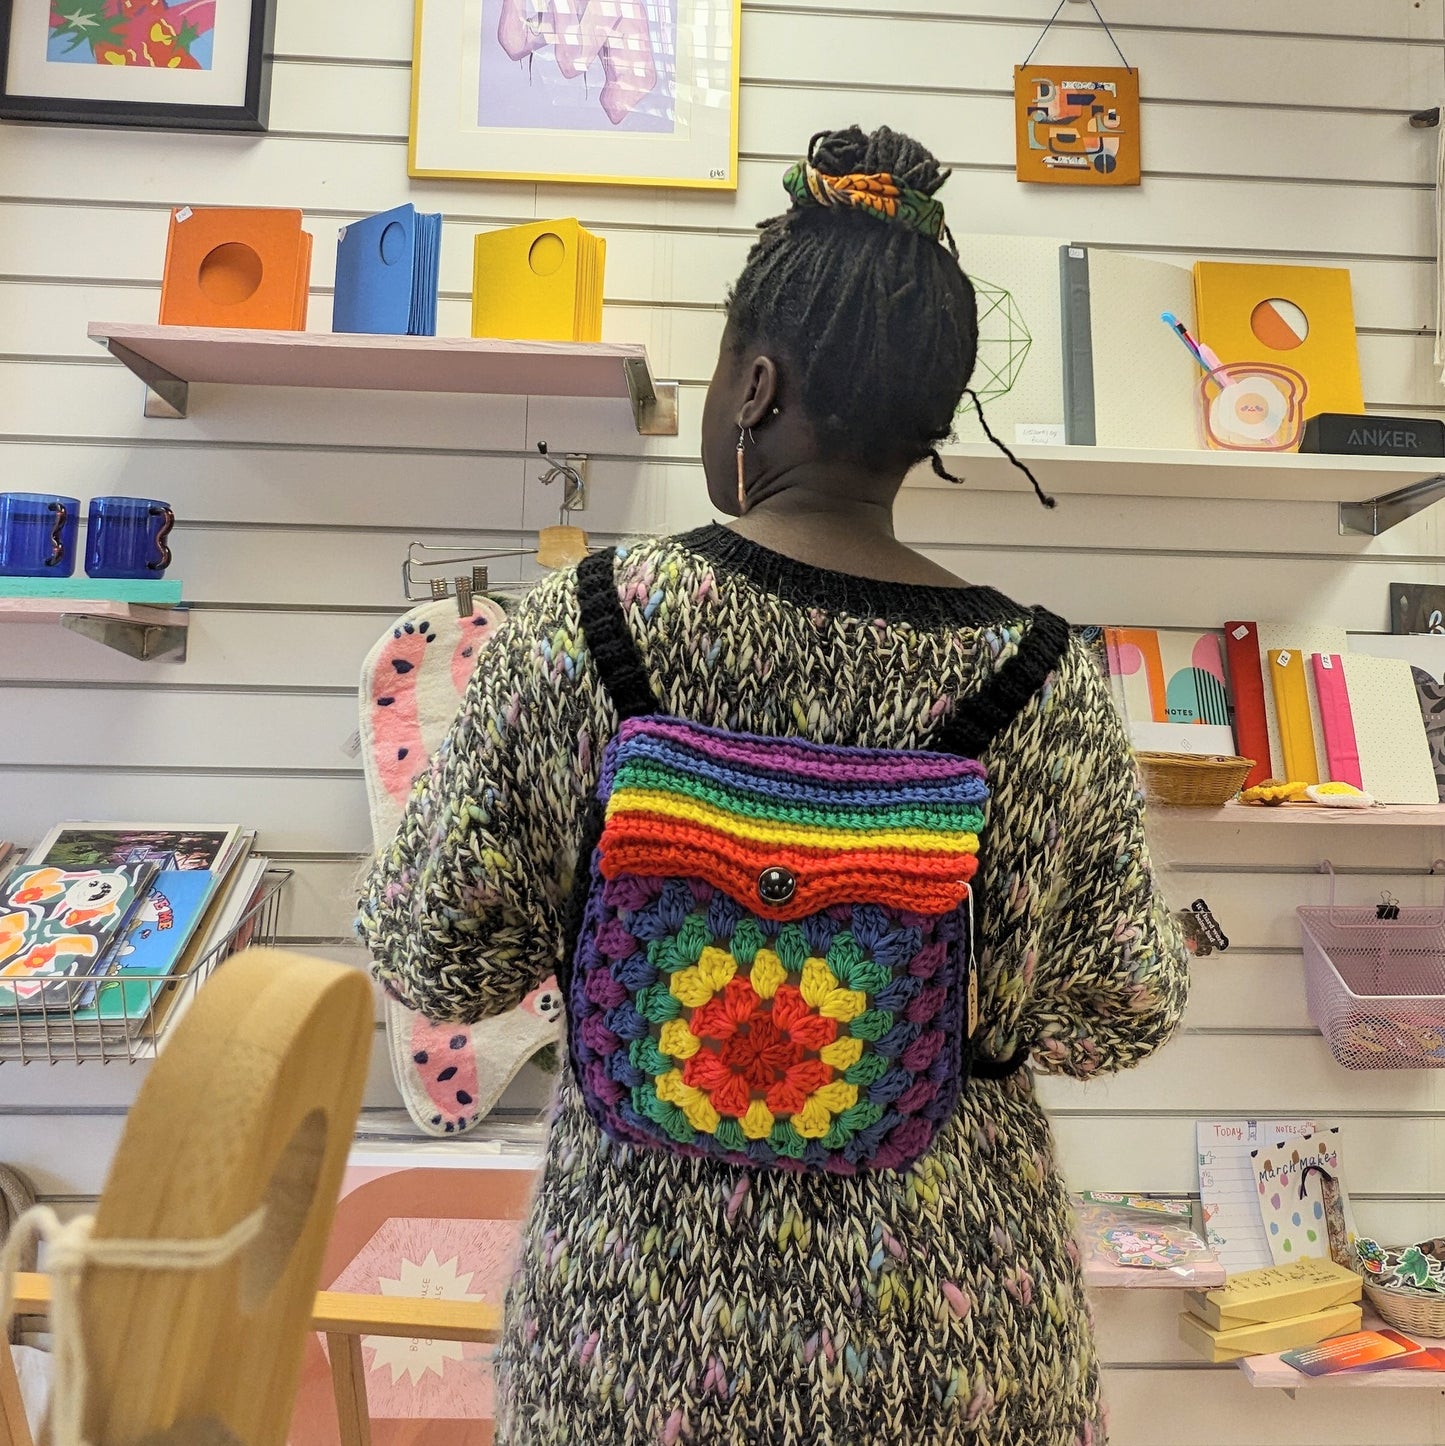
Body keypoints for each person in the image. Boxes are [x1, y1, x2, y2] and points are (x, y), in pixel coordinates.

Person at [359, 124, 1188, 1446]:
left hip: (633, 1338)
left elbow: (435, 952)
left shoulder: (579, 630)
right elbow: (1116, 1012)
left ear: (753, 382)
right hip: (956, 1344)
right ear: (930, 421)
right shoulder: (1041, 679)